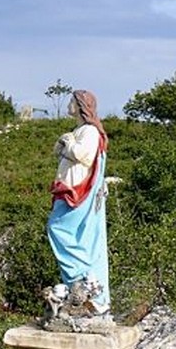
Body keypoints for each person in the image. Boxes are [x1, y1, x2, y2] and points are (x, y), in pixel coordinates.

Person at [46, 90, 110, 318]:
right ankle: (76, 280)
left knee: (59, 229)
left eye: (73, 101)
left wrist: (69, 142)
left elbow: (83, 155)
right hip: (67, 189)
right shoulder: (78, 130)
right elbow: (61, 153)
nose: (69, 104)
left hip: (78, 192)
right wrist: (65, 142)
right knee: (61, 230)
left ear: (82, 105)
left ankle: (80, 277)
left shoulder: (90, 131)